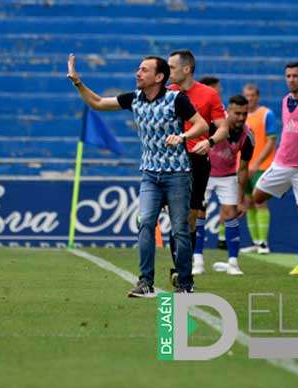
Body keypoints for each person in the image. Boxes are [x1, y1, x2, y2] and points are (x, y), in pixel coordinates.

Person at [66, 54, 208, 296]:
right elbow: (98, 102)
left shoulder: (176, 99)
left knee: (180, 230)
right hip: (150, 175)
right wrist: (78, 82)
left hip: (177, 175)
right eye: (139, 69)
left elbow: (202, 125)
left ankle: (185, 283)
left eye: (144, 70)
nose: (138, 73)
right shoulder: (135, 99)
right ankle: (145, 282)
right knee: (145, 225)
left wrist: (183, 137)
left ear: (159, 77)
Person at [252, 62, 298, 274]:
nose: (291, 79)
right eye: (288, 76)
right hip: (282, 162)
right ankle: (282, 190)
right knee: (257, 196)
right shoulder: (285, 100)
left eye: (296, 76)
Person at [168, 50, 229, 286]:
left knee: (191, 217)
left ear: (186, 69)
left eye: (172, 67)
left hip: (197, 159)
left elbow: (222, 127)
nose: (168, 71)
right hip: (171, 160)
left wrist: (210, 141)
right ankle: (180, 268)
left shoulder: (209, 95)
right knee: (177, 217)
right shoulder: (167, 93)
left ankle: (183, 266)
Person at [192, 94, 254, 276]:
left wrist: (240, 197)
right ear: (228, 111)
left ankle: (233, 263)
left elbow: (243, 168)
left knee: (231, 214)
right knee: (198, 213)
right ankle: (197, 260)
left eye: (245, 113)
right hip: (205, 173)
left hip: (228, 176)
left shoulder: (248, 135)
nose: (241, 118)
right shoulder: (213, 125)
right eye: (237, 113)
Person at [241, 82, 277, 255]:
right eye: (246, 96)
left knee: (260, 201)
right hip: (243, 166)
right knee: (248, 203)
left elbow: (271, 141)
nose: (249, 99)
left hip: (261, 166)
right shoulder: (241, 115)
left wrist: (256, 163)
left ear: (257, 96)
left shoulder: (266, 114)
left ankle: (263, 242)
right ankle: (256, 242)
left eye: (252, 95)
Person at [199, 76, 227, 250]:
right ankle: (195, 254)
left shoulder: (222, 112)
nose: (219, 93)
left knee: (229, 206)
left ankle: (224, 240)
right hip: (201, 164)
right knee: (197, 209)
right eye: (217, 90)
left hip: (223, 169)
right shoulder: (196, 109)